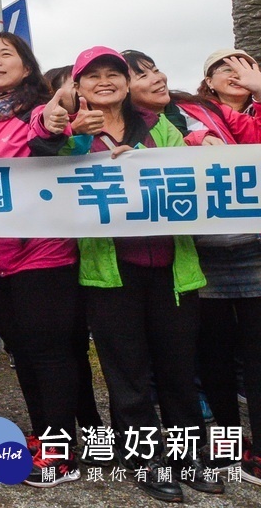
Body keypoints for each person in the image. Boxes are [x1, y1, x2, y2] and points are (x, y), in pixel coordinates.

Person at [59, 47, 221, 501]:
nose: (105, 81)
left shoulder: (156, 126)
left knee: (177, 368)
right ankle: (146, 457)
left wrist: (153, 167)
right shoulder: (74, 136)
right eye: (93, 76)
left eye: (115, 73)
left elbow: (190, 175)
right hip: (110, 275)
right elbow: (50, 179)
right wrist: (74, 138)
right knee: (126, 372)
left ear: (129, 83)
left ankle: (188, 454)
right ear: (78, 87)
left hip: (172, 269)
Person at [124, 48, 261, 483]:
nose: (235, 74)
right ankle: (224, 443)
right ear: (208, 81)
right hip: (202, 255)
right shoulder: (189, 111)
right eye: (224, 67)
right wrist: (200, 141)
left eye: (245, 66)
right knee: (213, 357)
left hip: (254, 251)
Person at [0, 32, 84, 486]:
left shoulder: (38, 111)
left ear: (27, 67)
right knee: (22, 352)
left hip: (41, 254)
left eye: (5, 55)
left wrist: (55, 119)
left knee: (49, 352)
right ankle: (47, 434)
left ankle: (61, 450)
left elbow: (52, 134)